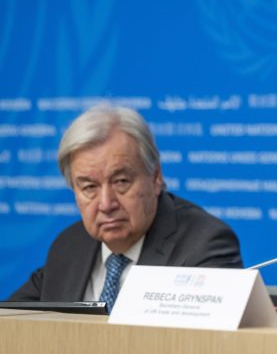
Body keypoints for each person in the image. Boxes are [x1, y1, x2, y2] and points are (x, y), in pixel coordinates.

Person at [10, 105, 242, 310]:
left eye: (121, 182)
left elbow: (208, 341)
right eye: (89, 187)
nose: (106, 204)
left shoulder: (204, 245)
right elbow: (10, 320)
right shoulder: (68, 247)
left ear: (156, 177)